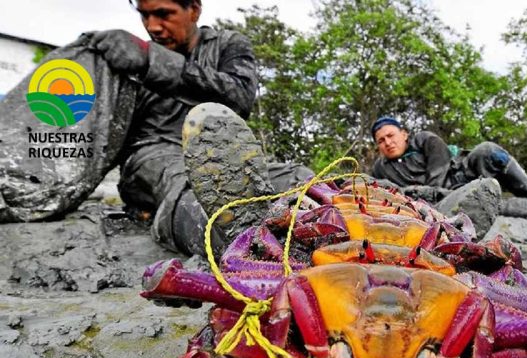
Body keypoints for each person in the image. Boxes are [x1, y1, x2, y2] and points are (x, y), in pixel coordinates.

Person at [0, 0, 312, 256]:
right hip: (152, 155)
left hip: (221, 154)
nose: (152, 26)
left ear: (194, 9)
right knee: (183, 183)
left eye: (163, 14)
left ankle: (314, 223)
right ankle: (237, 243)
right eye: (144, 15)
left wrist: (152, 60)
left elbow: (239, 98)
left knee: (299, 177)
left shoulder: (228, 45)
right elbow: (100, 127)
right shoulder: (125, 59)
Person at [369, 117, 527, 199]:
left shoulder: (424, 139)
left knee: (488, 151)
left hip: (459, 179)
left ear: (404, 134)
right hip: (428, 201)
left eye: (391, 135)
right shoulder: (380, 167)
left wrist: (433, 192)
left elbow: (439, 169)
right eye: (381, 141)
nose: (388, 142)